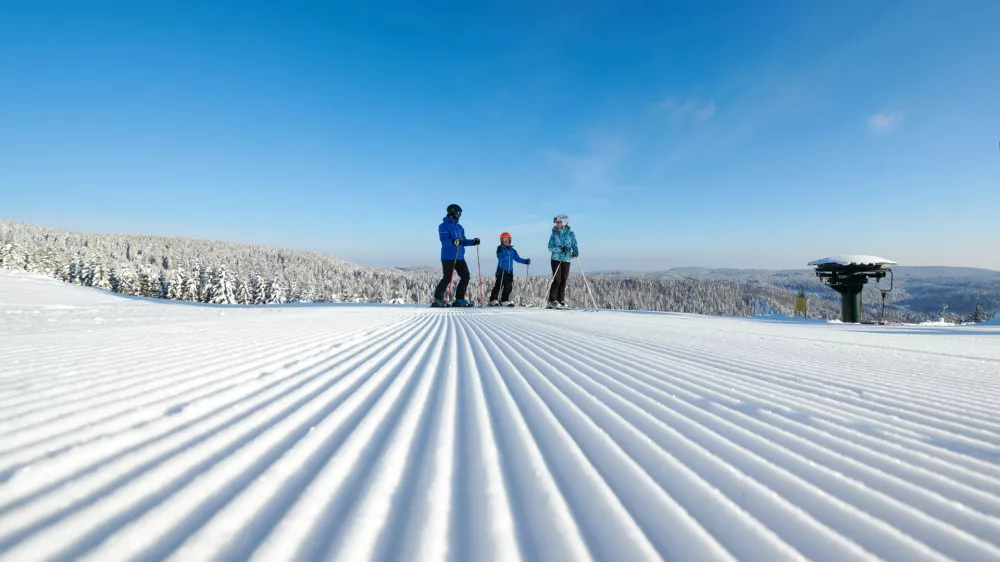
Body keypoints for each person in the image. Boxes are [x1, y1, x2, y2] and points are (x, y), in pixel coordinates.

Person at [432, 204, 480, 307]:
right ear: (452, 212)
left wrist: (473, 242)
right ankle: (437, 299)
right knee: (447, 278)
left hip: (460, 257)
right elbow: (445, 241)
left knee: (465, 276)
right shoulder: (443, 226)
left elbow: (463, 241)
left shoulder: (459, 227)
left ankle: (459, 299)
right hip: (448, 257)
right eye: (458, 213)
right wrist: (454, 242)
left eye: (460, 213)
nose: (460, 215)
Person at [489, 232, 530, 306]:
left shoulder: (512, 251)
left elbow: (517, 258)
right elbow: (499, 256)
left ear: (510, 240)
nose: (506, 241)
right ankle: (493, 300)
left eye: (507, 239)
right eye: (504, 239)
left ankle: (504, 300)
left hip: (509, 272)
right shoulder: (500, 249)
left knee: (508, 287)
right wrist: (503, 256)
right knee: (498, 286)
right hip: (501, 271)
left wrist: (525, 261)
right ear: (501, 240)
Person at [547, 214, 578, 309]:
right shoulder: (554, 234)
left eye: (559, 222)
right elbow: (550, 247)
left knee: (563, 280)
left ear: (564, 223)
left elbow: (574, 244)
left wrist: (576, 251)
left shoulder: (571, 234)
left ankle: (561, 300)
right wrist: (560, 249)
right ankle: (552, 300)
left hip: (567, 259)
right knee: (557, 280)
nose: (557, 224)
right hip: (556, 259)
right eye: (556, 222)